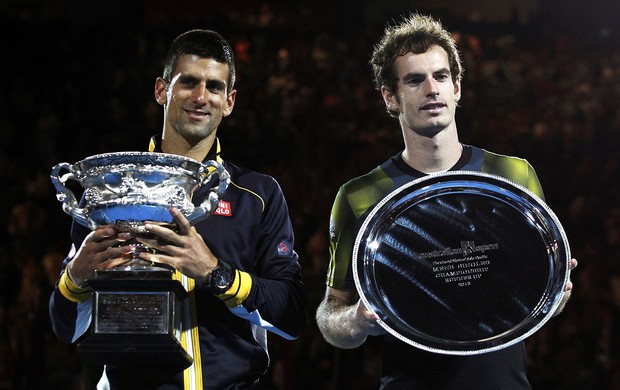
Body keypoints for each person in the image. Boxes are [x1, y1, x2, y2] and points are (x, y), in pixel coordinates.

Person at [315, 13, 577, 389]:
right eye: (414, 80)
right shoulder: (359, 195)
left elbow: (538, 302)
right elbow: (330, 315)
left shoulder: (513, 175)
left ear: (457, 87)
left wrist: (555, 292)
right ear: (390, 97)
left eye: (440, 77)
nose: (431, 89)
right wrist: (356, 320)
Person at [49, 29, 306, 389]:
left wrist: (217, 274)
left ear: (229, 101)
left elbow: (291, 315)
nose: (201, 97)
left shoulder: (256, 195)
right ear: (161, 90)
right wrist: (76, 276)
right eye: (188, 82)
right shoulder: (113, 191)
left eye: (214, 87)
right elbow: (66, 328)